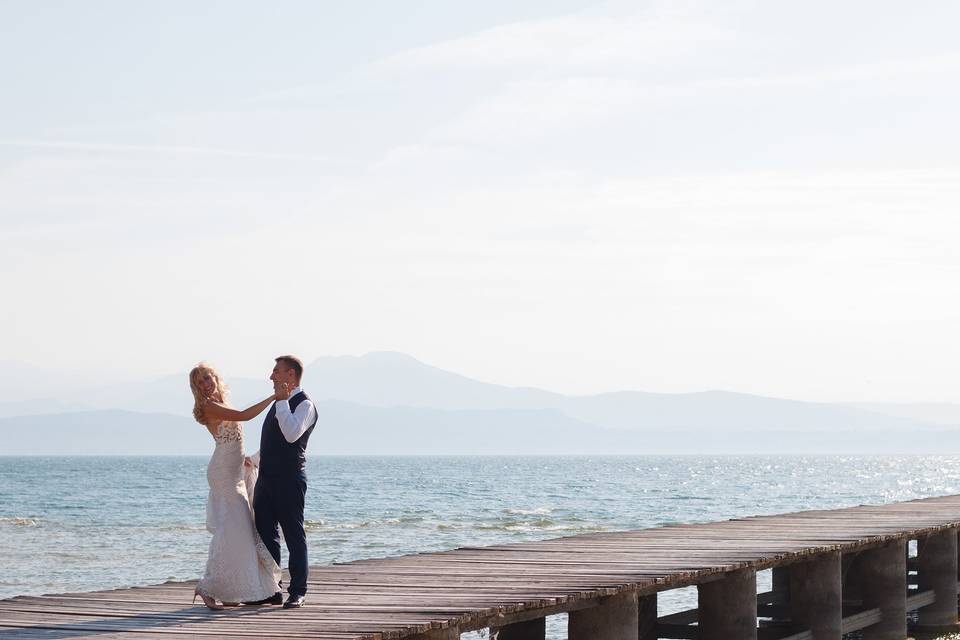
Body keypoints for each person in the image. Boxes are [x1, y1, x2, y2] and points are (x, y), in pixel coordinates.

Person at [187, 363, 281, 610]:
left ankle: (228, 589)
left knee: (238, 533)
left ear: (215, 377)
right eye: (200, 383)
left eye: (207, 378)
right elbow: (245, 416)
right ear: (197, 389)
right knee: (233, 530)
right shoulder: (209, 406)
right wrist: (274, 396)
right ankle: (206, 586)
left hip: (235, 471)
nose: (206, 383)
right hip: (222, 475)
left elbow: (233, 441)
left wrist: (245, 460)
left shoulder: (222, 400)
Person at [244, 355, 318, 609]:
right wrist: (253, 460)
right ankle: (271, 589)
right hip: (266, 480)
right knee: (266, 534)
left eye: (277, 371)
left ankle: (298, 591)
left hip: (289, 480)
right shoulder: (280, 403)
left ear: (291, 375)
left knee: (294, 535)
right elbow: (273, 442)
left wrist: (283, 402)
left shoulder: (305, 405)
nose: (271, 376)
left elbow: (290, 435)